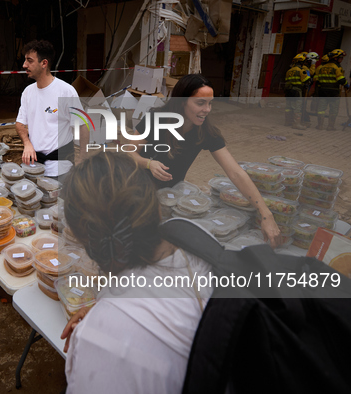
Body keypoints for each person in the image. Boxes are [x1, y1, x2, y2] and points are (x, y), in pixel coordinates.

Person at [60, 152, 213, 393]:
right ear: (157, 209)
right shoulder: (201, 245)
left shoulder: (99, 340)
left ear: (81, 239)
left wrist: (105, 320)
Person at [127, 74, 281, 247]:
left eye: (210, 103)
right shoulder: (155, 119)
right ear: (182, 101)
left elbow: (235, 172)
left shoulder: (206, 132)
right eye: (200, 103)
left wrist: (266, 214)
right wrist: (149, 163)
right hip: (136, 194)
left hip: (172, 198)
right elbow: (127, 154)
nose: (207, 109)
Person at [15, 39, 88, 181]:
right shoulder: (28, 92)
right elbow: (20, 123)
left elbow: (82, 125)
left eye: (30, 61)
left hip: (60, 167)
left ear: (44, 63)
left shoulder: (66, 91)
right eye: (25, 60)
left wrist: (82, 158)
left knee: (59, 202)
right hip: (34, 166)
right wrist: (27, 143)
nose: (24, 65)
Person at [315, 49, 349, 131]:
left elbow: (317, 80)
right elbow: (341, 79)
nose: (342, 59)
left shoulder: (322, 67)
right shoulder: (337, 67)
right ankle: (330, 126)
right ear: (335, 58)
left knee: (321, 109)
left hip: (322, 91)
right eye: (340, 58)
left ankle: (320, 125)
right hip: (333, 92)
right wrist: (346, 84)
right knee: (333, 110)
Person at [284, 53, 311, 129]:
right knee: (297, 107)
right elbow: (306, 80)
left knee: (288, 107)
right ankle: (296, 124)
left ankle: (287, 122)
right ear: (301, 62)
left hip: (288, 91)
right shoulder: (301, 70)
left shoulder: (289, 71)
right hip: (297, 91)